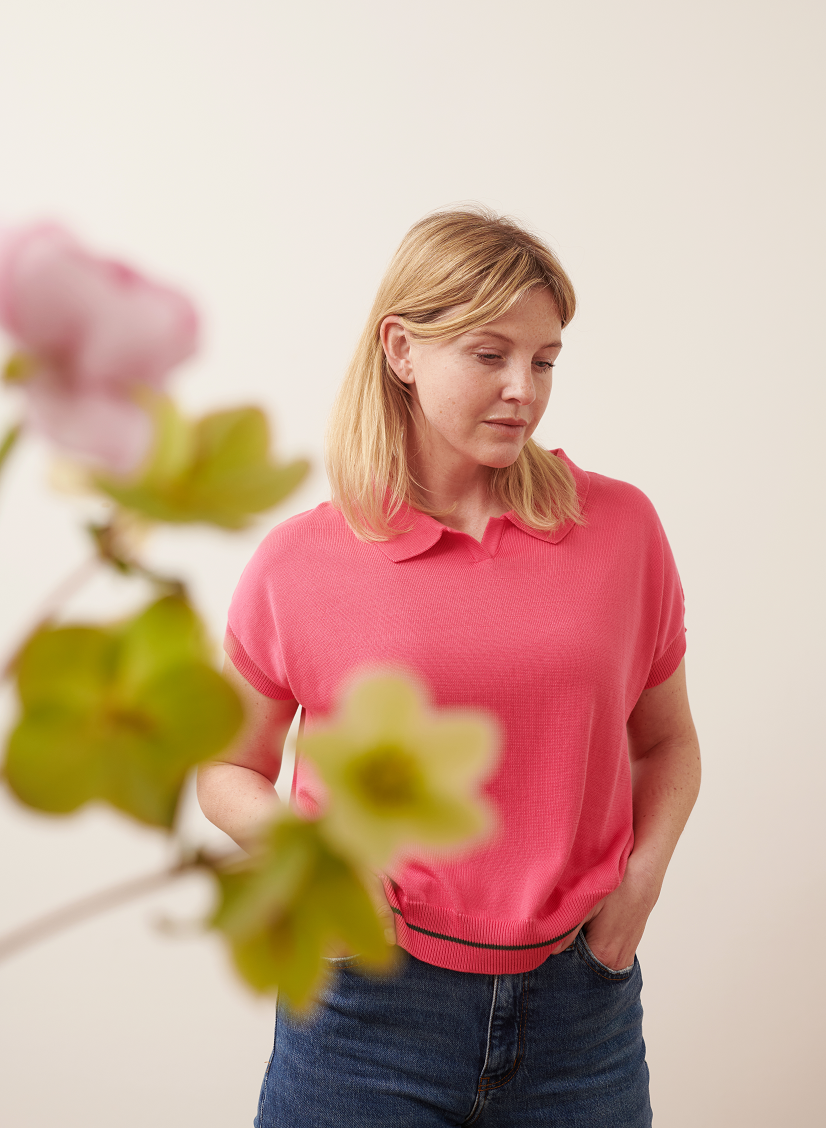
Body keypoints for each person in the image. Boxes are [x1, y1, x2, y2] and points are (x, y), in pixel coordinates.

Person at [197, 208, 701, 1127]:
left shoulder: (622, 531)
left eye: (544, 360)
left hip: (581, 1014)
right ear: (401, 349)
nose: (524, 389)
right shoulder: (301, 560)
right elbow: (226, 768)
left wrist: (642, 881)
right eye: (488, 354)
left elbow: (666, 742)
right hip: (365, 1012)